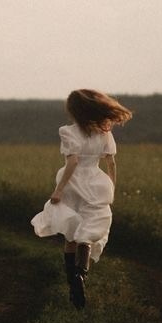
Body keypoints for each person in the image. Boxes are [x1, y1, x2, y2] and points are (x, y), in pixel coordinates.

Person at [31, 89, 132, 309]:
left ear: (74, 112)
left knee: (70, 233)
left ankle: (71, 283)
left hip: (73, 184)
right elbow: (111, 163)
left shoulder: (68, 132)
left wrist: (58, 190)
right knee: (89, 230)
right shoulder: (105, 132)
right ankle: (81, 274)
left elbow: (73, 162)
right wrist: (111, 186)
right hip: (96, 182)